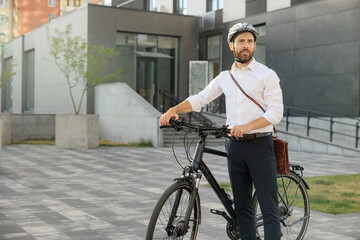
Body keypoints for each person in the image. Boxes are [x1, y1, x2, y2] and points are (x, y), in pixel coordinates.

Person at [160, 22, 283, 240]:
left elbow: (276, 112)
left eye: (250, 41)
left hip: (259, 145)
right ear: (231, 45)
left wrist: (247, 126)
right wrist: (173, 110)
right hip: (234, 147)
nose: (246, 45)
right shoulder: (225, 77)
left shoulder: (267, 75)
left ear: (254, 45)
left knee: (268, 206)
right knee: (242, 207)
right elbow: (200, 99)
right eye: (241, 41)